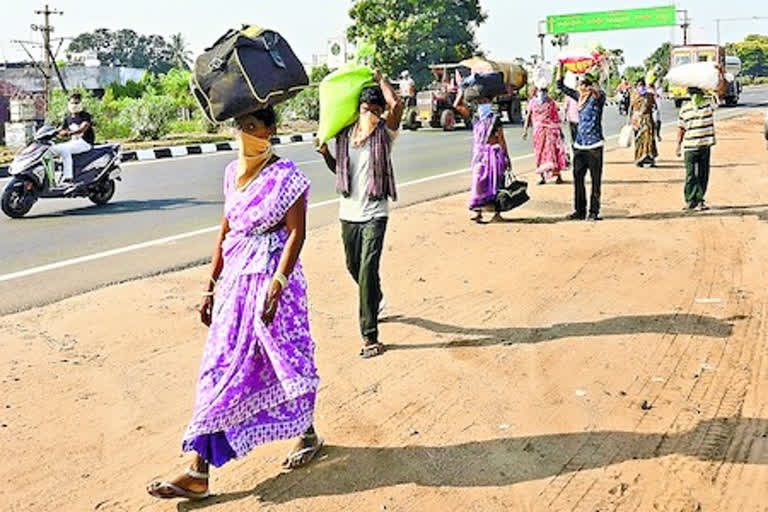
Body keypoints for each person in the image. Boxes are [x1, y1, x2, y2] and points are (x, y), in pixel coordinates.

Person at [147, 106, 322, 501]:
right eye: (240, 127)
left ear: (270, 130)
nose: (244, 134)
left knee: (285, 362)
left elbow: (296, 234)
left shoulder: (287, 177)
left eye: (252, 127)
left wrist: (278, 283)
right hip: (233, 287)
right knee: (220, 369)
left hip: (272, 285)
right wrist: (210, 287)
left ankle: (307, 432)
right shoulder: (231, 174)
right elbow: (225, 232)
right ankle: (198, 470)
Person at [317, 71, 403, 359]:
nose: (372, 116)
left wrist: (380, 79)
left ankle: (370, 336)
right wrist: (326, 154)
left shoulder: (385, 134)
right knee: (353, 266)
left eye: (377, 111)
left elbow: (398, 106)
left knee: (367, 269)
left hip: (375, 212)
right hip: (349, 213)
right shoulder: (345, 135)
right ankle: (375, 298)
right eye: (368, 110)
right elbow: (339, 169)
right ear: (358, 110)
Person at [557, 64, 606, 221]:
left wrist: (594, 75)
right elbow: (560, 86)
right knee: (578, 179)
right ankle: (579, 210)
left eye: (582, 85)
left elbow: (599, 93)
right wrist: (561, 66)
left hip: (594, 145)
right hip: (579, 145)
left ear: (587, 86)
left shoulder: (597, 98)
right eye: (579, 86)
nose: (579, 88)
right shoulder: (579, 97)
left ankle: (593, 212)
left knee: (595, 181)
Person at [454, 92, 511, 223]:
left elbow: (501, 139)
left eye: (484, 101)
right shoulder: (477, 118)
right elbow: (456, 106)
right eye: (480, 102)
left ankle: (497, 213)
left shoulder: (493, 119)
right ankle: (478, 212)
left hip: (493, 155)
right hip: (481, 156)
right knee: (479, 183)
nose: (482, 104)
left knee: (495, 184)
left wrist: (506, 157)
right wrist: (461, 91)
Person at [677, 87, 716, 211]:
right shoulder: (685, 109)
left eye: (698, 93)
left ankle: (699, 200)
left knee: (702, 174)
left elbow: (720, 93)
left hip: (704, 145)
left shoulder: (708, 106)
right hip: (690, 147)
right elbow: (681, 129)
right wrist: (678, 145)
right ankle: (690, 200)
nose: (696, 96)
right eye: (694, 93)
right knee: (690, 175)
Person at [523, 86, 568, 185]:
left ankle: (557, 175)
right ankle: (541, 176)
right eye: (541, 90)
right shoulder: (532, 103)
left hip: (550, 131)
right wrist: (525, 130)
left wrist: (560, 131)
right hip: (538, 132)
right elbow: (528, 116)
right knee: (539, 153)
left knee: (552, 152)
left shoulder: (551, 102)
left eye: (544, 91)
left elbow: (555, 117)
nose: (543, 93)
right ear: (537, 91)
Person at [51, 92, 94, 184]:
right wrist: (51, 133)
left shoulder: (85, 115)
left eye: (76, 103)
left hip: (85, 143)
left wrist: (69, 133)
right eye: (72, 103)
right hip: (74, 142)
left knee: (65, 150)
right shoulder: (67, 118)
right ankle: (50, 179)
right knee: (50, 150)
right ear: (68, 104)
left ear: (80, 103)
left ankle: (68, 178)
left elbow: (83, 128)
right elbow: (61, 130)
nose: (74, 105)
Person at [629, 78, 658, 168]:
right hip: (638, 121)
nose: (641, 87)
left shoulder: (649, 95)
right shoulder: (634, 95)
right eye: (639, 85)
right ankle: (639, 159)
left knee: (649, 140)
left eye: (642, 85)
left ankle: (650, 159)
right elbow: (631, 108)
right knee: (638, 140)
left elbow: (655, 107)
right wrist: (631, 121)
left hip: (647, 120)